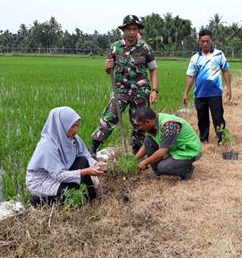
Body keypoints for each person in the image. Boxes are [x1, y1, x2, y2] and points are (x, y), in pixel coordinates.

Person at [90, 14, 159, 156]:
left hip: (140, 91)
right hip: (121, 90)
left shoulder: (145, 47)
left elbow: (153, 69)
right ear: (124, 31)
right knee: (110, 116)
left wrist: (155, 90)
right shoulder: (115, 47)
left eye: (135, 29)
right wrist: (107, 67)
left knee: (139, 122)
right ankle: (94, 147)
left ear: (138, 30)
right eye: (129, 29)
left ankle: (136, 153)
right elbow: (109, 70)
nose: (132, 32)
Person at [26, 106, 105, 207]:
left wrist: (96, 164)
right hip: (42, 180)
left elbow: (85, 155)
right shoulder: (47, 146)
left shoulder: (73, 138)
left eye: (77, 125)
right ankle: (39, 200)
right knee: (74, 195)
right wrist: (86, 171)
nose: (76, 130)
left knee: (82, 161)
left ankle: (90, 196)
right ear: (61, 126)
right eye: (73, 126)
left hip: (60, 171)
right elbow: (59, 175)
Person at [182, 29, 232, 144]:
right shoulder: (195, 58)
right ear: (199, 41)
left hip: (215, 92)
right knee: (202, 118)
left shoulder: (219, 54)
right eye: (203, 41)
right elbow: (191, 76)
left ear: (211, 41)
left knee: (218, 117)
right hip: (200, 93)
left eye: (207, 41)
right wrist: (185, 93)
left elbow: (225, 71)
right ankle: (204, 139)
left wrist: (229, 87)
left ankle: (222, 139)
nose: (205, 44)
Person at [133, 107, 202, 181]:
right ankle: (158, 172)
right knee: (148, 140)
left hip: (188, 151)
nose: (138, 128)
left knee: (163, 167)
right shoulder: (153, 123)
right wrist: (134, 160)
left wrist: (145, 162)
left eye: (139, 125)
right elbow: (145, 146)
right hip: (175, 149)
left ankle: (186, 170)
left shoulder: (169, 125)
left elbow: (162, 152)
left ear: (147, 122)